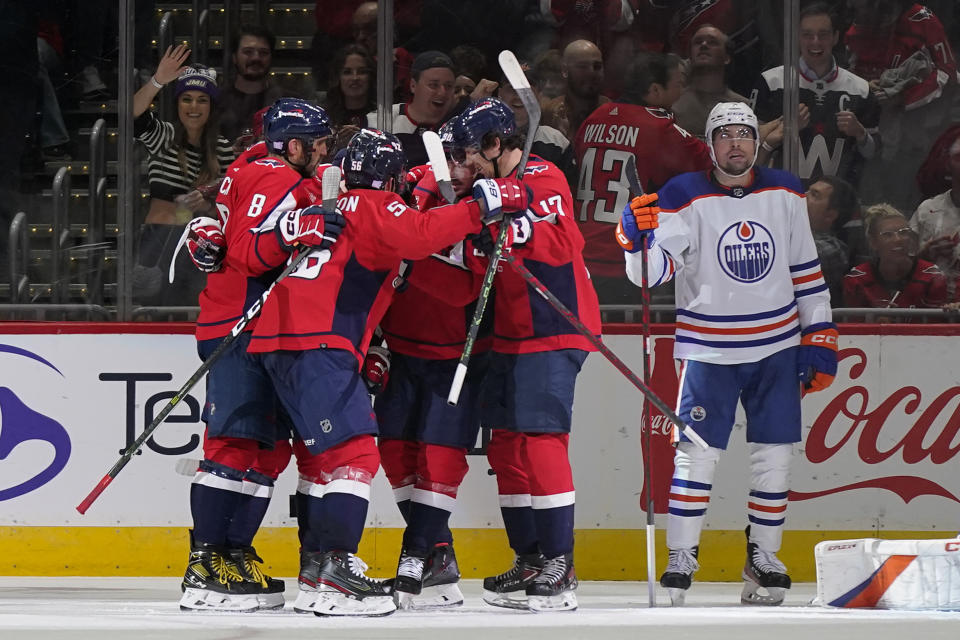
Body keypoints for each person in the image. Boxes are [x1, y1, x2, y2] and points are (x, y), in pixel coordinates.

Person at [239, 126, 529, 616]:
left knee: (327, 461)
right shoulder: (373, 206)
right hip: (319, 344)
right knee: (354, 453)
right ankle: (336, 573)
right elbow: (421, 234)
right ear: (390, 179)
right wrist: (482, 207)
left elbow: (448, 286)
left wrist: (476, 257)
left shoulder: (344, 214)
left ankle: (316, 574)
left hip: (279, 343)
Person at [616, 102, 837, 606]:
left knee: (775, 458)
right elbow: (652, 275)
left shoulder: (785, 191)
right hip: (708, 349)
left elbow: (806, 270)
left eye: (744, 134)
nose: (735, 144)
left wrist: (819, 335)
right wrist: (635, 239)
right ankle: (682, 557)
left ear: (757, 142)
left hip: (777, 346)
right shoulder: (682, 194)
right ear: (710, 144)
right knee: (696, 457)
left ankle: (764, 558)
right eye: (725, 135)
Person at [432, 97, 602, 612]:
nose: (463, 165)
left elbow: (564, 239)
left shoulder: (543, 176)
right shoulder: (486, 187)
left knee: (541, 440)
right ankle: (530, 555)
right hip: (509, 331)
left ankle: (559, 562)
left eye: (469, 154)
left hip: (553, 327)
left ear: (495, 144)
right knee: (507, 446)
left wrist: (514, 219)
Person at [178, 98, 337, 612]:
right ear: (293, 146)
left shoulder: (259, 169)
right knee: (233, 444)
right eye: (317, 143)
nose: (324, 151)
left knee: (267, 450)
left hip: (263, 326)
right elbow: (248, 250)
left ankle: (233, 550)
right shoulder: (274, 176)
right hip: (240, 325)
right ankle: (205, 563)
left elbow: (225, 231)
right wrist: (291, 232)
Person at [374, 149, 485, 610]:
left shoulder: (486, 203)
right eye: (455, 157)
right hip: (401, 349)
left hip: (456, 356)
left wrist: (409, 255)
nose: (461, 167)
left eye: (470, 159)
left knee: (440, 460)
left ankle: (416, 554)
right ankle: (438, 553)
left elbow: (465, 287)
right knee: (395, 452)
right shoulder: (412, 187)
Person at [572, 52, 712, 307]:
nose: (683, 90)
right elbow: (713, 163)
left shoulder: (595, 117)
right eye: (679, 84)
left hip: (582, 255)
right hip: (624, 258)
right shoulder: (657, 127)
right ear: (655, 90)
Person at [132, 44, 235, 306]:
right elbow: (130, 114)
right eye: (186, 98)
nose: (194, 106)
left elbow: (233, 208)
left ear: (211, 105)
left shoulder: (223, 150)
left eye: (202, 100)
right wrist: (158, 80)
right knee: (149, 319)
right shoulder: (163, 136)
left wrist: (208, 206)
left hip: (202, 244)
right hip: (155, 242)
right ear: (177, 102)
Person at [753, 3, 880, 189]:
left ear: (835, 37)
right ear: (797, 37)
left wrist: (860, 133)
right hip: (780, 196)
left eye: (823, 34)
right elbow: (749, 145)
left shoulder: (860, 90)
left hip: (836, 208)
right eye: (807, 35)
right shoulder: (771, 82)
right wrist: (783, 128)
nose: (815, 42)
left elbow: (874, 155)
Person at [845, 1, 957, 209]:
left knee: (903, 202)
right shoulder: (860, 15)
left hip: (915, 137)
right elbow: (848, 68)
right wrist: (863, 85)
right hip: (865, 131)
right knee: (865, 203)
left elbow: (948, 73)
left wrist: (904, 98)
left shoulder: (922, 20)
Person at [845, 203, 948, 316]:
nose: (898, 239)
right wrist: (873, 322)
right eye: (888, 235)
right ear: (873, 242)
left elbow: (936, 327)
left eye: (903, 232)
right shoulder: (857, 279)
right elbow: (853, 327)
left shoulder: (931, 276)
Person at [367, 49, 457, 166]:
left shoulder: (460, 124)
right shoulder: (379, 121)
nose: (442, 93)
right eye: (433, 85)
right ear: (413, 85)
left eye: (448, 86)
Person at [672, 24, 749, 140]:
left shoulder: (743, 107)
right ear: (690, 56)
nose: (703, 45)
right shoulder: (671, 103)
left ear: (727, 58)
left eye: (712, 42)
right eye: (698, 42)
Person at [217, 24, 286, 144]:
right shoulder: (215, 101)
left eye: (263, 53)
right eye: (248, 52)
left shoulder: (287, 102)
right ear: (234, 57)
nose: (256, 58)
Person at [911, 136, 960, 299]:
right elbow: (902, 269)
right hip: (932, 307)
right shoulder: (928, 209)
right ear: (947, 164)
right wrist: (924, 256)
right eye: (959, 157)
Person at [541, 39, 608, 142]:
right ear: (565, 70)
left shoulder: (612, 111)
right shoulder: (549, 113)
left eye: (597, 66)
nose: (591, 72)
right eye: (583, 67)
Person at [807, 175, 859, 306]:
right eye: (808, 191)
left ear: (830, 215)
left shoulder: (833, 250)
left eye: (814, 195)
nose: (803, 196)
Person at [323, 44, 377, 128]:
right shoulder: (325, 119)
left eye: (362, 72)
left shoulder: (384, 117)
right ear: (338, 77)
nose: (355, 78)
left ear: (371, 76)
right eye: (347, 72)